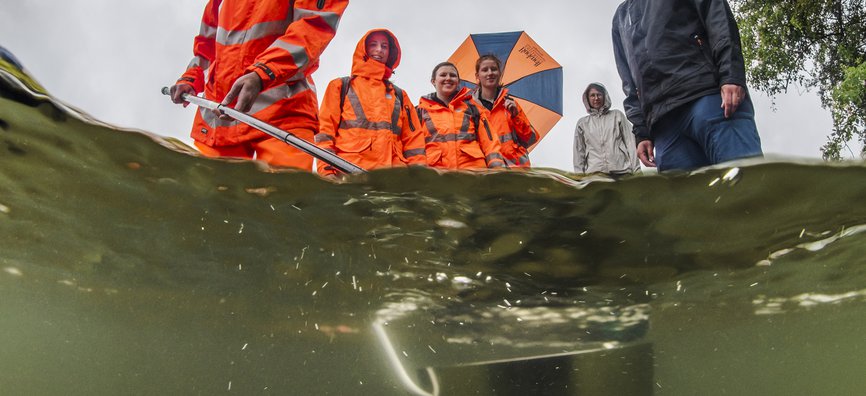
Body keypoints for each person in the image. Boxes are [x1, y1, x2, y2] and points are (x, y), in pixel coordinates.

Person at [169, 1, 349, 170]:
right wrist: (192, 77)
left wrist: (264, 73)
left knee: (285, 199)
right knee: (211, 200)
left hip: (282, 115)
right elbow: (207, 44)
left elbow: (313, 28)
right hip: (220, 119)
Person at [612, 0, 762, 171]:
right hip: (664, 126)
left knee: (746, 184)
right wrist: (641, 132)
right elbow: (628, 80)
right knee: (688, 197)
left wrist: (731, 74)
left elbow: (718, 19)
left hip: (709, 97)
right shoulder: (621, 17)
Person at [315, 29, 425, 177]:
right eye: (373, 44)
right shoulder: (340, 86)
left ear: (390, 53)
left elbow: (414, 143)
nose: (379, 50)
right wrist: (327, 171)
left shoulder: (400, 95)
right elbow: (324, 133)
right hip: (350, 177)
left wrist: (419, 179)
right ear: (364, 49)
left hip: (394, 181)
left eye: (384, 46)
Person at [416, 62, 506, 170]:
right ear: (433, 81)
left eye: (453, 75)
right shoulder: (419, 111)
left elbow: (489, 142)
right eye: (443, 75)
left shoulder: (473, 108)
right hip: (436, 177)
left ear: (458, 82)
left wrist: (498, 169)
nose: (448, 78)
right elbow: (413, 146)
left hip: (473, 176)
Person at [471, 55, 539, 168]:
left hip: (516, 170)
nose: (490, 73)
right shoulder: (470, 108)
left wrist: (516, 116)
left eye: (493, 69)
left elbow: (530, 139)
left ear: (500, 73)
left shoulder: (511, 104)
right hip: (488, 170)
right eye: (485, 70)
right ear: (477, 76)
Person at [573, 83, 640, 175]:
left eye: (599, 94)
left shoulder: (617, 115)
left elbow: (630, 143)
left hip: (622, 172)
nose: (596, 98)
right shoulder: (582, 123)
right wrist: (579, 178)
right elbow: (578, 153)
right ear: (587, 99)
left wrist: (637, 171)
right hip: (595, 176)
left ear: (605, 96)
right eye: (592, 95)